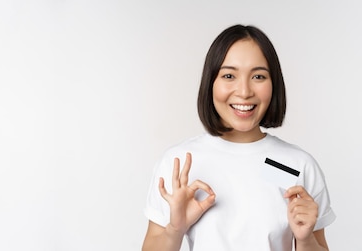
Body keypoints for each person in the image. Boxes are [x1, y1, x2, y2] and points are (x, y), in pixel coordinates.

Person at [141, 25, 336, 251]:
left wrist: (304, 240)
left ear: (274, 84)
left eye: (258, 76)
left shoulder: (295, 166)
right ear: (211, 82)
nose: (244, 91)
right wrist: (175, 229)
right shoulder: (182, 163)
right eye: (229, 75)